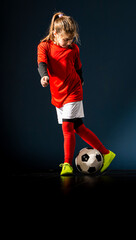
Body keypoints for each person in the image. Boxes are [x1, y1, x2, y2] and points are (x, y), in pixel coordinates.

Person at [37, 12, 116, 176]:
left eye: (71, 39)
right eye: (66, 39)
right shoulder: (44, 46)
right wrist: (44, 76)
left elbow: (78, 67)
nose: (69, 42)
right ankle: (107, 154)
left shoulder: (73, 49)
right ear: (55, 34)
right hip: (58, 93)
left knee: (67, 128)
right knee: (79, 128)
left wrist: (81, 81)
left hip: (73, 91)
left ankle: (67, 164)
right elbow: (42, 62)